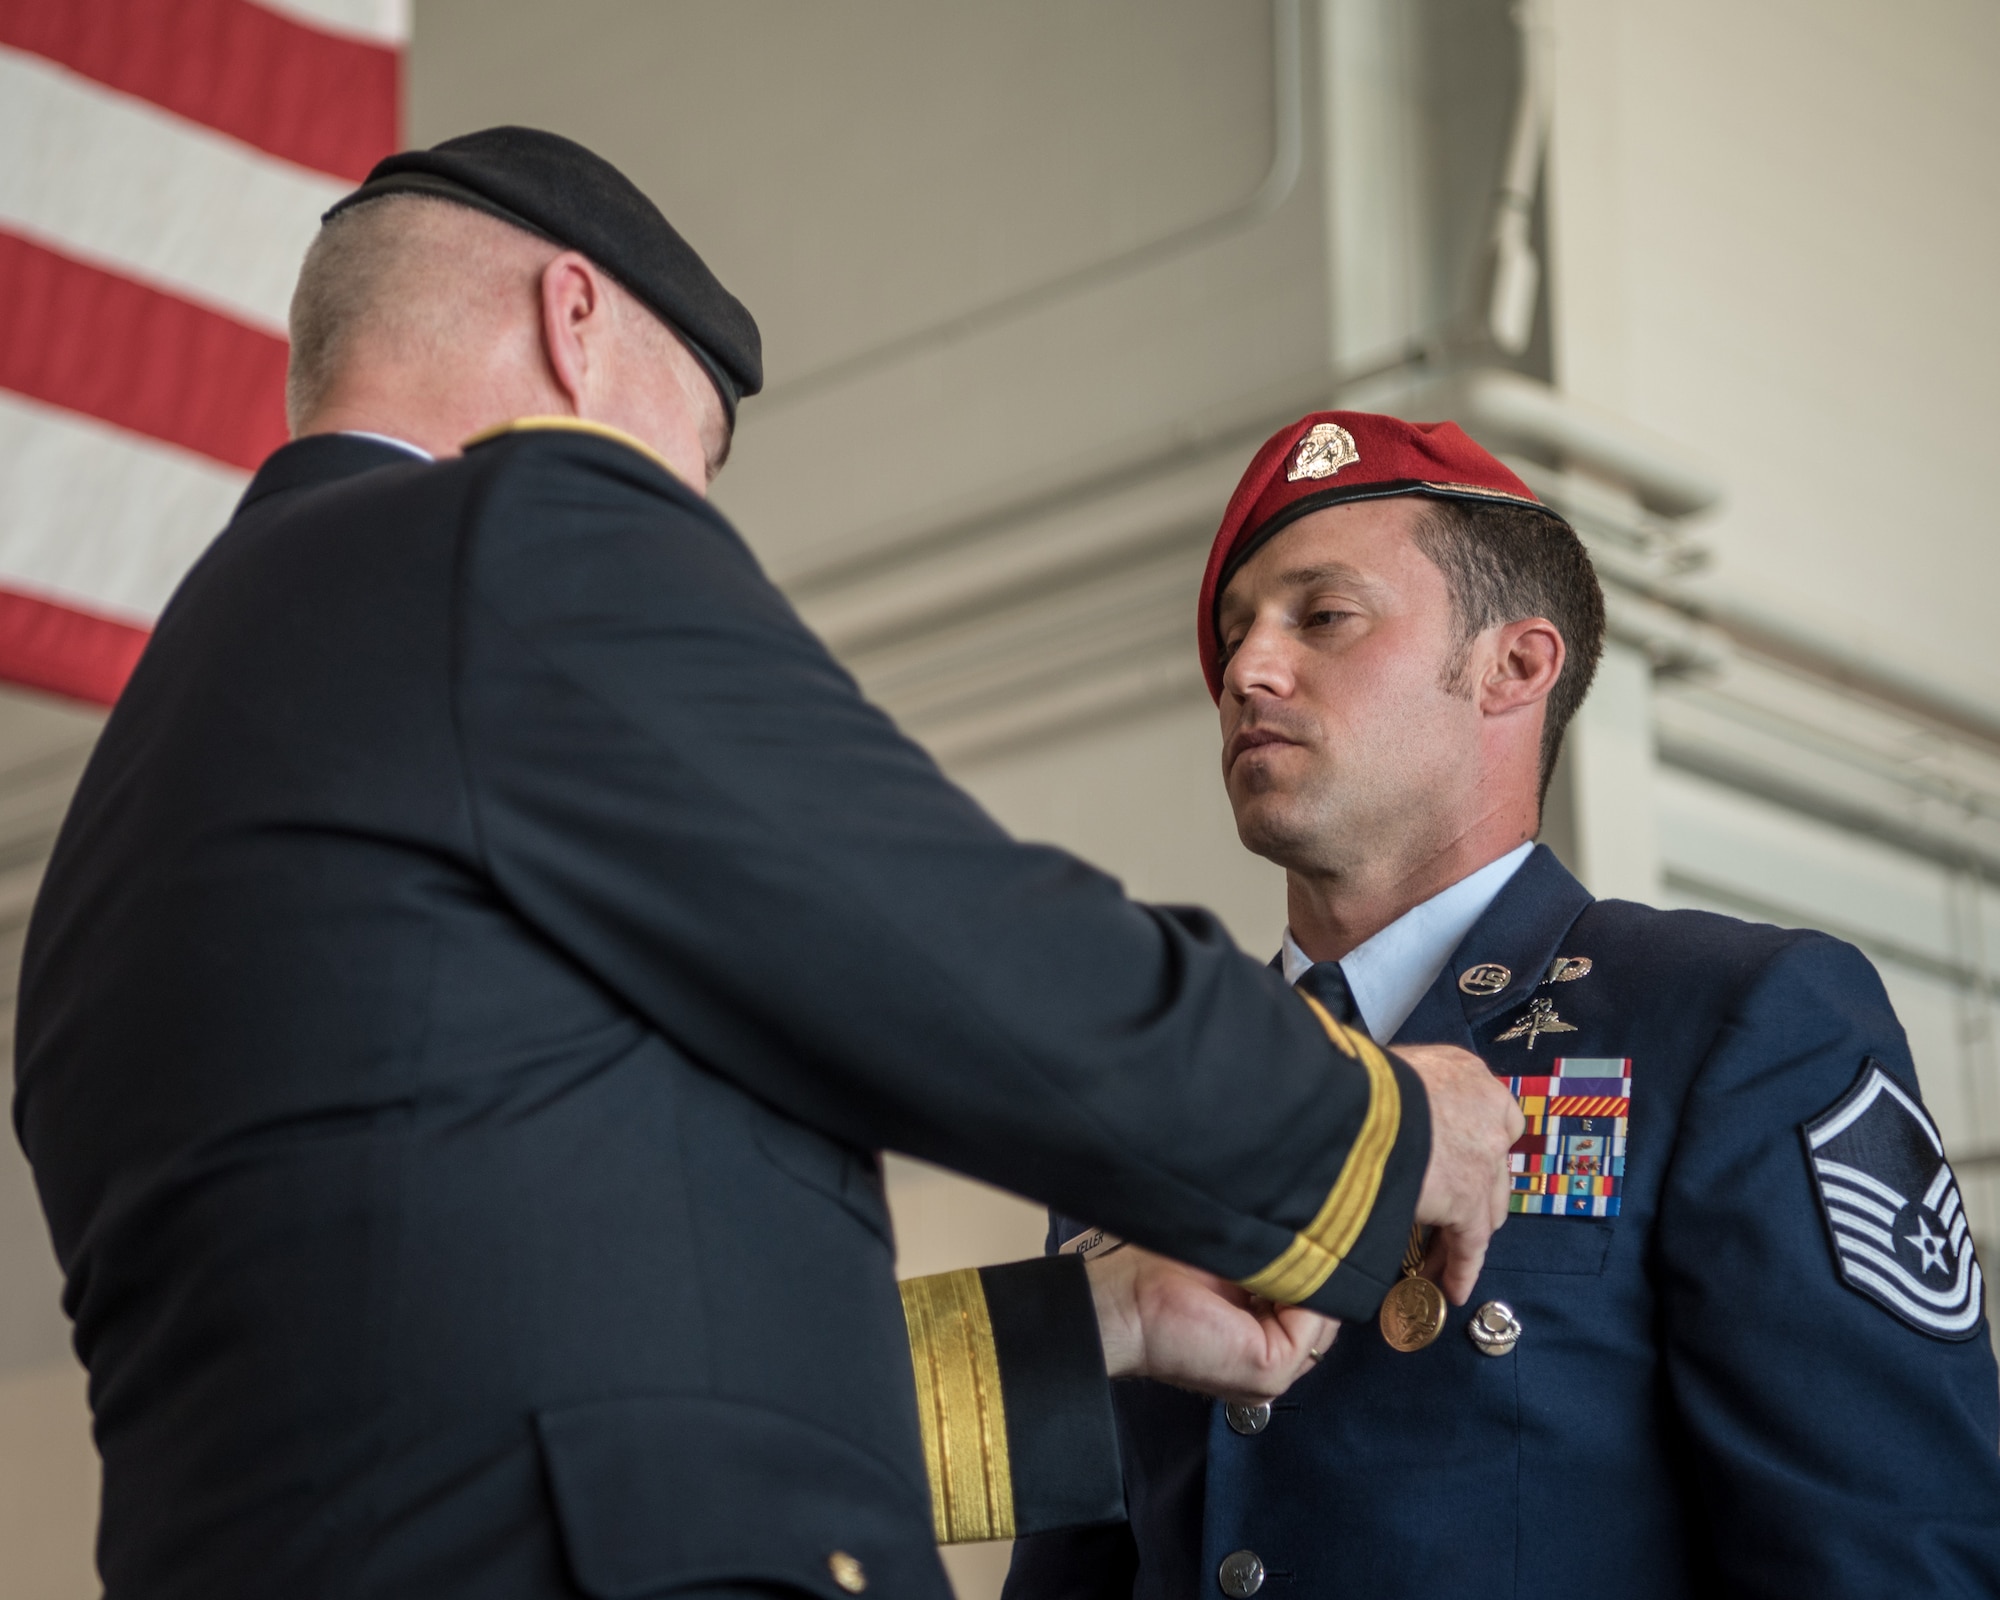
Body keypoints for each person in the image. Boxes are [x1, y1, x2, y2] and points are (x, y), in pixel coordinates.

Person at [11, 133, 1524, 1600]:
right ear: (575, 321)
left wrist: (1090, 1324)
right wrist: (1381, 1132)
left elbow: (552, 1351)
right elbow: (960, 947)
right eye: (689, 462)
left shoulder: (139, 799)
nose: (693, 525)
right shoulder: (511, 532)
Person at [1004, 410, 2000, 1600]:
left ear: (1514, 666)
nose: (1246, 670)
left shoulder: (1728, 1020)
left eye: (1321, 616)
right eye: (1234, 634)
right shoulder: (1150, 1096)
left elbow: (1894, 1554)